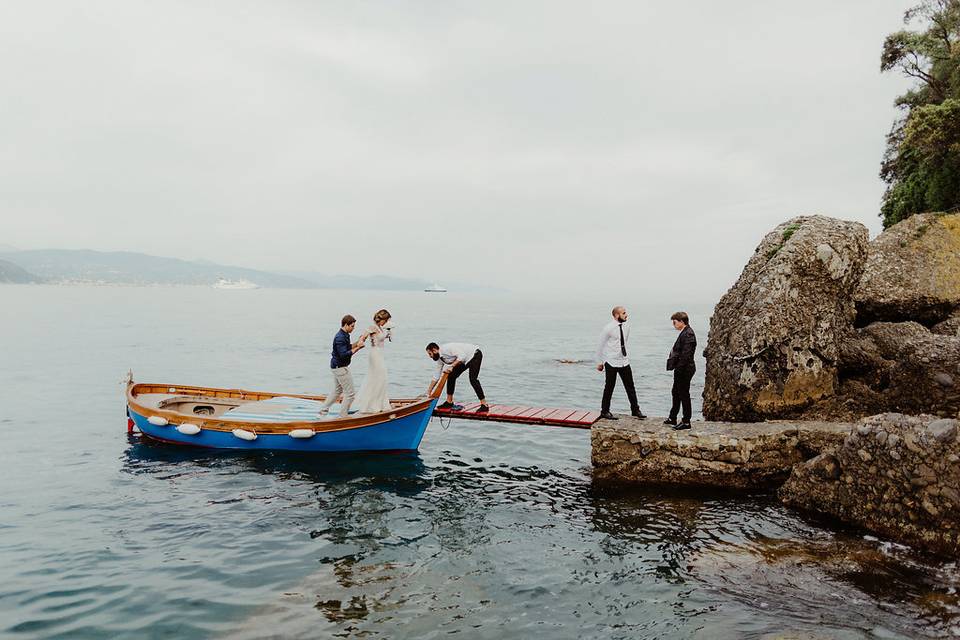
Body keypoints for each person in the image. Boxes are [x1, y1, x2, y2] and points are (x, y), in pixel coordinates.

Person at [596, 306, 646, 420]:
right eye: (623, 313)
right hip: (611, 361)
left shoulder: (627, 326)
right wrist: (600, 362)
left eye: (625, 313)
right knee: (609, 387)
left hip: (624, 361)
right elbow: (600, 345)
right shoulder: (608, 328)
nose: (626, 315)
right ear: (616, 315)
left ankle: (635, 410)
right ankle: (604, 411)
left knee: (630, 386)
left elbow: (624, 342)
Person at [319, 314, 366, 417]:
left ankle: (323, 409)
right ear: (346, 325)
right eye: (352, 326)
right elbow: (344, 354)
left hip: (336, 366)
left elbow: (347, 347)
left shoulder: (344, 334)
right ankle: (343, 415)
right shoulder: (340, 337)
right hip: (340, 367)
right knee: (350, 394)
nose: (353, 328)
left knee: (338, 390)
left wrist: (358, 342)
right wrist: (358, 348)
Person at [425, 342, 489, 412]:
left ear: (434, 350)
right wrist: (429, 392)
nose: (430, 356)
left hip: (475, 355)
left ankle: (484, 405)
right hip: (464, 360)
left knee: (473, 379)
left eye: (430, 354)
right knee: (451, 376)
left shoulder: (447, 348)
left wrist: (452, 366)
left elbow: (462, 356)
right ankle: (449, 402)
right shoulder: (440, 360)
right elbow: (436, 376)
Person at [354, 309, 394, 414]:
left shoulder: (380, 328)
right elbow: (363, 336)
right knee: (379, 376)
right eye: (385, 320)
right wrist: (361, 342)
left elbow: (379, 338)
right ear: (382, 319)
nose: (386, 323)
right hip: (375, 353)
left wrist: (387, 335)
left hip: (380, 353)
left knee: (381, 377)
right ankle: (373, 405)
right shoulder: (372, 327)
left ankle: (380, 403)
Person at [664, 311, 697, 430]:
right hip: (681, 368)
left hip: (685, 369)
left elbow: (686, 355)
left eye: (675, 322)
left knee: (684, 394)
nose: (673, 325)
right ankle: (673, 417)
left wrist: (679, 368)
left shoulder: (688, 334)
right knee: (676, 392)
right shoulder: (684, 332)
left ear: (682, 322)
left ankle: (686, 421)